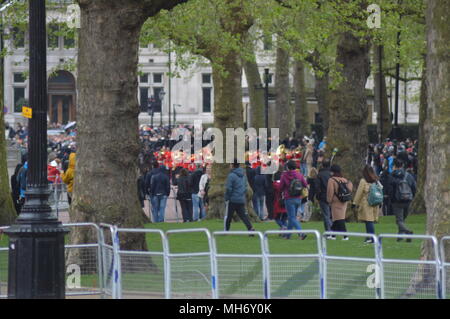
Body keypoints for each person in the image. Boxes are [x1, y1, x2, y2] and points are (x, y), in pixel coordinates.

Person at [280, 160, 308, 240]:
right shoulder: (299, 174)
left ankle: (301, 234)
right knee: (291, 217)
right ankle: (287, 235)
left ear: (287, 167)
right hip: (298, 198)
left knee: (292, 218)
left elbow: (281, 187)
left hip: (289, 198)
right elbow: (305, 184)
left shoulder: (284, 175)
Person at [389, 159, 416, 241]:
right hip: (407, 199)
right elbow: (413, 187)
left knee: (399, 221)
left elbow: (390, 188)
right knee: (402, 219)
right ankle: (400, 237)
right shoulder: (408, 175)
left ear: (394, 166)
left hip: (397, 200)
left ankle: (408, 232)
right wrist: (412, 196)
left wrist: (391, 198)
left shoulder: (392, 175)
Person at [224, 160, 255, 232]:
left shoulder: (231, 175)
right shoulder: (243, 175)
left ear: (232, 165)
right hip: (241, 198)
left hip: (233, 199)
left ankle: (226, 230)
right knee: (243, 216)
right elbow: (244, 186)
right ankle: (250, 228)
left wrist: (227, 197)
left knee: (229, 216)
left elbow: (229, 188)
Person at [353, 165, 381, 243]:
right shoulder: (376, 179)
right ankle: (369, 236)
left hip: (367, 202)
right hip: (375, 202)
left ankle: (371, 237)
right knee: (370, 220)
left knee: (368, 221)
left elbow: (359, 193)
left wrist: (355, 203)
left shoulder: (363, 181)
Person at [327, 164, 353, 240]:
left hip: (336, 202)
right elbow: (350, 188)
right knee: (336, 219)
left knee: (339, 219)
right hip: (344, 201)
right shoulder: (344, 180)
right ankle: (332, 235)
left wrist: (329, 200)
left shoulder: (331, 180)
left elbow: (330, 192)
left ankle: (345, 236)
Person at [316, 159, 332, 232]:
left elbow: (317, 187)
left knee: (326, 215)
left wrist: (318, 196)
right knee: (330, 215)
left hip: (323, 196)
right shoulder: (332, 174)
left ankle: (329, 230)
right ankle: (331, 230)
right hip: (332, 196)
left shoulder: (320, 174)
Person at [272, 164, 287, 230]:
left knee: (276, 218)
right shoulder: (286, 181)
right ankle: (284, 229)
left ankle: (283, 227)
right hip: (286, 201)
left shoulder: (275, 185)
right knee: (284, 218)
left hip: (278, 202)